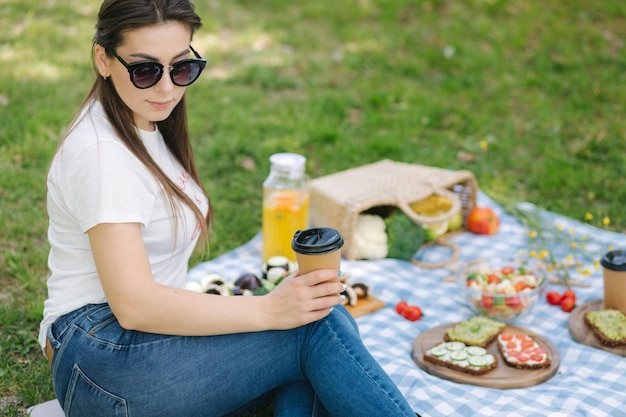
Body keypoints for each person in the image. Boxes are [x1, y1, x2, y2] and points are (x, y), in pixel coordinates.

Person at [39, 1, 418, 416]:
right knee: (315, 328)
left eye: (181, 68)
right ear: (103, 59)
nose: (167, 88)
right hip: (103, 359)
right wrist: (268, 309)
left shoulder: (142, 121)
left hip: (126, 350)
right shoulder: (103, 155)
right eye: (145, 70)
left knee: (310, 340)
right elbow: (134, 305)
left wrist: (278, 312)